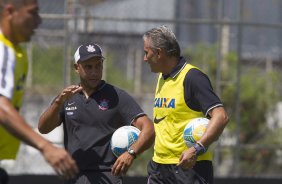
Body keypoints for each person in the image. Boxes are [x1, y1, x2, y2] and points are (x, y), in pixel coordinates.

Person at [38, 43, 155, 184]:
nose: (94, 72)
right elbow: (43, 128)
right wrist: (58, 103)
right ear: (77, 68)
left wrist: (131, 153)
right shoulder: (68, 98)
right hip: (73, 176)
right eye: (88, 67)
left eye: (98, 66)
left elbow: (149, 128)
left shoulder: (116, 96)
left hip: (107, 175)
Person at [0, 0, 79, 181]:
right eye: (33, 13)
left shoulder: (15, 52)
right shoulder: (2, 49)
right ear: (10, 12)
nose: (38, 21)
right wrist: (45, 146)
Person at [143, 25, 229, 184]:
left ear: (159, 53)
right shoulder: (162, 78)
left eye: (146, 53)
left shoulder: (193, 77)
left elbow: (221, 116)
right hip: (159, 168)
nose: (144, 58)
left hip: (189, 169)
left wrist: (197, 148)